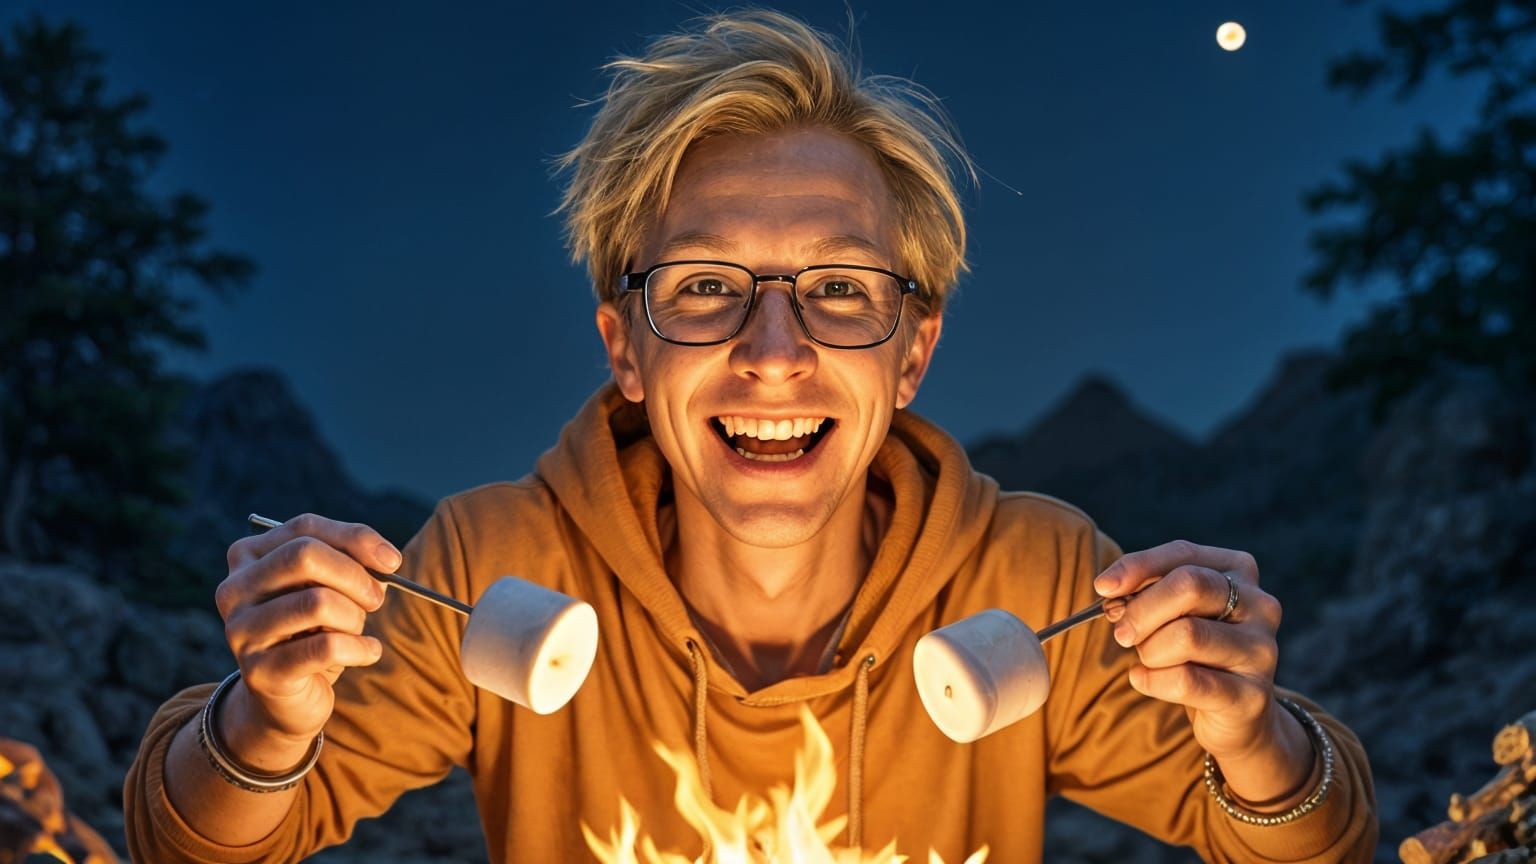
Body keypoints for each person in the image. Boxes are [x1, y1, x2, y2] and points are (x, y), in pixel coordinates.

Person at [125, 9, 1378, 862]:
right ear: (626, 345)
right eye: (705, 286)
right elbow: (203, 843)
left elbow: (1308, 842)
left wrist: (1251, 736)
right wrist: (265, 718)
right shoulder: (496, 566)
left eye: (839, 291)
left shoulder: (1032, 582)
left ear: (911, 354)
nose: (773, 354)